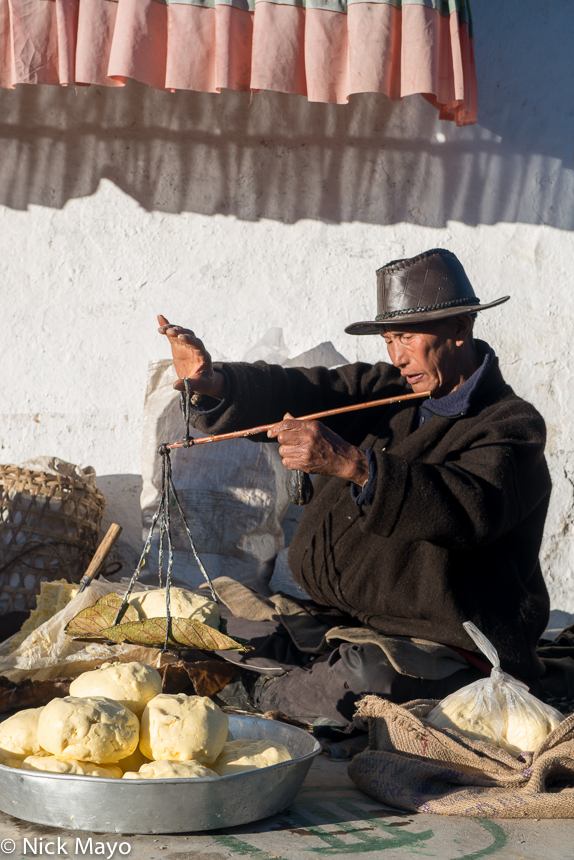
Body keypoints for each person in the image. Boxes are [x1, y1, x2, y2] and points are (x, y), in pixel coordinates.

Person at [158, 248, 552, 725]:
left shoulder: (512, 426)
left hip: (449, 640)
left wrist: (356, 466)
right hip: (349, 618)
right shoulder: (387, 389)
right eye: (388, 339)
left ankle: (268, 691)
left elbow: (469, 506)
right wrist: (216, 382)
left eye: (406, 336)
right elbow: (299, 390)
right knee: (227, 620)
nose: (396, 356)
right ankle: (284, 680)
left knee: (363, 685)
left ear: (460, 328)